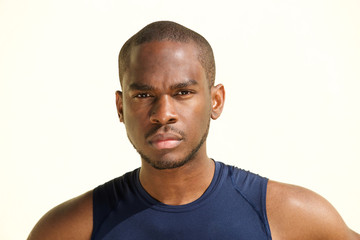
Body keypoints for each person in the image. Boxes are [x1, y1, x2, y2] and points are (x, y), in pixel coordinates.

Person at [28, 21, 359, 240]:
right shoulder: (67, 229)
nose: (164, 114)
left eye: (182, 93)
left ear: (216, 101)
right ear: (120, 107)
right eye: (143, 95)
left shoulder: (293, 217)